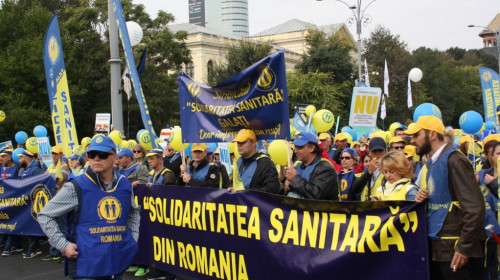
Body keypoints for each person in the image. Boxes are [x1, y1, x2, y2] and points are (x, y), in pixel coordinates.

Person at [38, 135, 140, 279]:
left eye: (103, 155)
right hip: (87, 268)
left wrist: (133, 238)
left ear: (115, 157)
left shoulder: (124, 184)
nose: (96, 158)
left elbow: (134, 212)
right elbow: (45, 215)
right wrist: (63, 244)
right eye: (92, 154)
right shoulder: (76, 186)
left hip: (118, 263)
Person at [408, 116, 485, 279]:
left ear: (432, 135)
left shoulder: (455, 160)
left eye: (416, 135)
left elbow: (475, 208)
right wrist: (424, 197)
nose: (412, 140)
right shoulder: (432, 163)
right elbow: (445, 199)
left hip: (456, 252)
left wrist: (464, 247)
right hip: (440, 250)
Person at [284, 132, 338, 200]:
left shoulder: (326, 169)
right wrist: (286, 188)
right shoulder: (297, 166)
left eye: (300, 147)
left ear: (312, 148)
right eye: (295, 147)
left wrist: (294, 178)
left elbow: (316, 194)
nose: (295, 151)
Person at [230, 129, 280, 193]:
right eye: (238, 142)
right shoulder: (238, 161)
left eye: (243, 142)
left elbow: (274, 188)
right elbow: (235, 183)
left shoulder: (264, 161)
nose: (239, 145)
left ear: (253, 143)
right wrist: (230, 188)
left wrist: (248, 193)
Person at [17, 150, 44, 259]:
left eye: (21, 158)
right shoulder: (22, 170)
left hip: (33, 201)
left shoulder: (35, 169)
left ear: (27, 158)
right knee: (26, 224)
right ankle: (34, 246)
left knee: (31, 224)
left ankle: (33, 248)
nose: (19, 160)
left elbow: (38, 185)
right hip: (24, 200)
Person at [0, 148, 22, 257]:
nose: (1, 158)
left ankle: (8, 247)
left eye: (4, 156)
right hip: (3, 200)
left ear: (10, 156)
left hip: (14, 200)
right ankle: (17, 245)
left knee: (11, 223)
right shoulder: (1, 167)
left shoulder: (17, 167)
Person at [351, 137, 387, 201]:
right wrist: (368, 172)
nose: (377, 153)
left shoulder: (390, 170)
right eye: (374, 151)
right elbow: (355, 189)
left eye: (380, 150)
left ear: (385, 152)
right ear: (370, 152)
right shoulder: (365, 170)